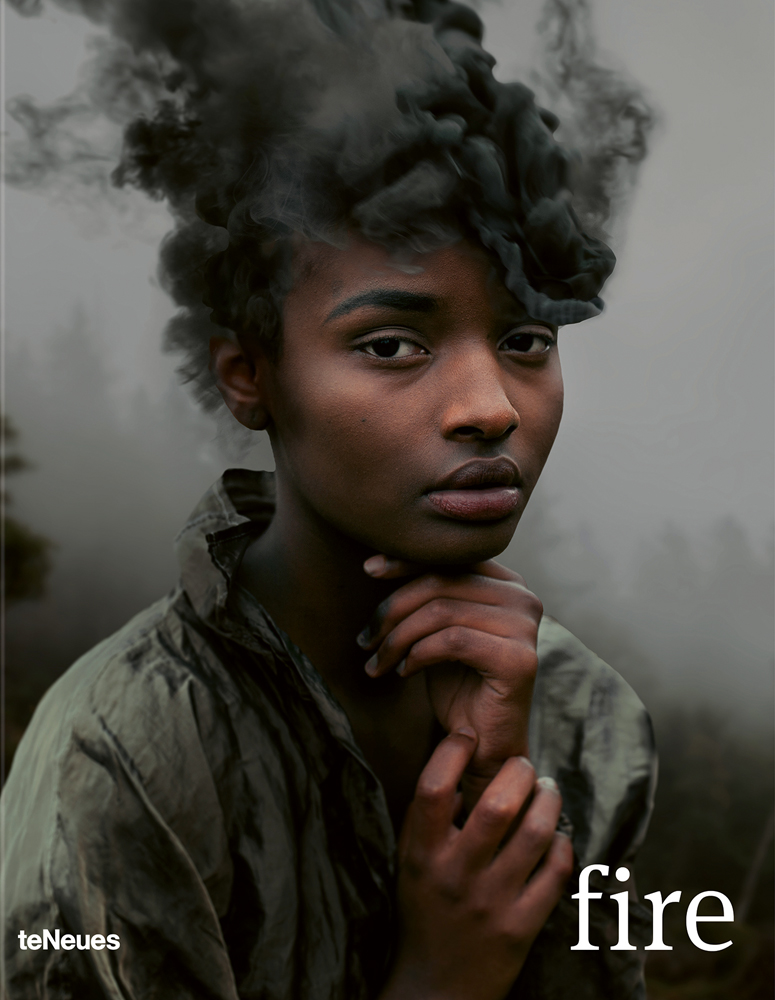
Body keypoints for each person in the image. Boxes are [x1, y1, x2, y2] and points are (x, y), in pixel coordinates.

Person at [2, 0, 656, 996]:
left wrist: (507, 801)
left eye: (527, 340)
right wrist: (441, 980)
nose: (489, 407)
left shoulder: (585, 714)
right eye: (390, 344)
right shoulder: (120, 748)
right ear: (249, 374)